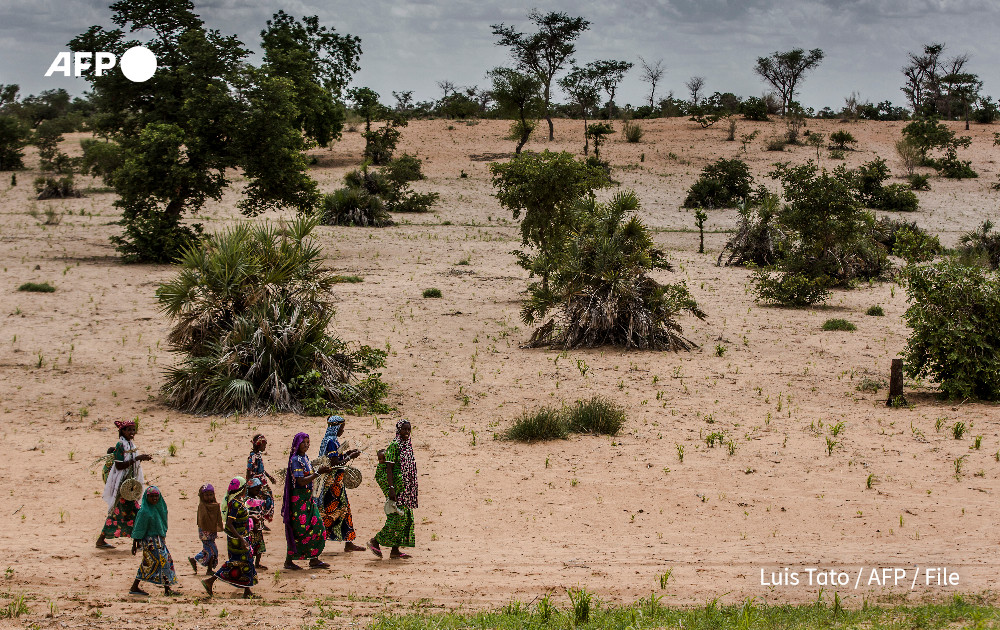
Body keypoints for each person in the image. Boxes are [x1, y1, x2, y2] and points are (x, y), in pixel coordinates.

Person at [97, 419, 152, 549]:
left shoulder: (130, 445)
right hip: (122, 486)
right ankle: (139, 542)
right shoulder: (121, 446)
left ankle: (102, 540)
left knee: (121, 514)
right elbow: (119, 465)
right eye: (129, 430)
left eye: (133, 430)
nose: (132, 432)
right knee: (135, 512)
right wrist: (137, 459)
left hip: (128, 486)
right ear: (122, 431)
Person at [369, 420, 417, 559]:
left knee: (406, 518)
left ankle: (395, 550)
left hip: (406, 488)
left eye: (409, 429)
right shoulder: (394, 445)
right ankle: (375, 541)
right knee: (397, 519)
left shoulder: (407, 445)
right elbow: (389, 468)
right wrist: (391, 489)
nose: (407, 432)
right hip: (397, 487)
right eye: (404, 429)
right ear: (398, 430)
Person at [201, 477, 257, 599]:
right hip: (237, 540)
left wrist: (251, 516)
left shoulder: (237, 501)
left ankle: (247, 591)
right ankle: (210, 581)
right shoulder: (235, 503)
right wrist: (241, 539)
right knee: (240, 562)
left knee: (244, 562)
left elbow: (238, 517)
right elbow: (230, 524)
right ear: (242, 489)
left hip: (241, 537)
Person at [282, 432, 331, 570]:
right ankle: (289, 560)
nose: (306, 445)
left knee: (317, 527)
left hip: (308, 499)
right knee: (299, 531)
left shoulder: (305, 458)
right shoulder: (295, 460)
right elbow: (301, 481)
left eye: (308, 442)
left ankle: (314, 558)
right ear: (298, 444)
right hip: (299, 501)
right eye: (304, 442)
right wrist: (317, 473)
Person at [318, 416, 365, 552]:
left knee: (343, 510)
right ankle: (317, 542)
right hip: (332, 484)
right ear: (336, 427)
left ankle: (348, 541)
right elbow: (334, 463)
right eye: (342, 428)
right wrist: (350, 457)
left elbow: (335, 458)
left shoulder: (330, 441)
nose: (342, 431)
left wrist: (347, 454)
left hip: (335, 483)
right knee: (330, 512)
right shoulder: (331, 442)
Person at [129, 487, 177, 596]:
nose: (154, 498)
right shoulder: (144, 511)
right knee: (155, 562)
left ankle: (166, 589)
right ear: (147, 497)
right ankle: (135, 586)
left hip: (159, 541)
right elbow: (139, 528)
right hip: (150, 542)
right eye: (152, 496)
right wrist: (135, 544)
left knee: (164, 562)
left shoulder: (159, 507)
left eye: (156, 496)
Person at [189, 484, 223, 574]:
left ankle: (195, 559)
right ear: (202, 496)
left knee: (210, 550)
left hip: (211, 532)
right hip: (204, 532)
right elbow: (202, 521)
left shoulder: (214, 506)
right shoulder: (202, 506)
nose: (209, 497)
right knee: (211, 551)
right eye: (206, 495)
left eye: (211, 494)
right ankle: (209, 570)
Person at [246, 434, 276, 527]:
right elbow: (249, 471)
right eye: (264, 445)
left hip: (262, 481)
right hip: (256, 482)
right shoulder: (253, 457)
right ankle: (260, 520)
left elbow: (260, 469)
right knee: (263, 500)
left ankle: (261, 520)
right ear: (259, 445)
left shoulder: (257, 455)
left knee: (265, 499)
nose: (265, 447)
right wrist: (249, 484)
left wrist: (269, 476)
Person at [246, 478, 267, 570]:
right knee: (251, 546)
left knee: (259, 547)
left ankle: (257, 563)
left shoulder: (257, 499)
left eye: (259, 489)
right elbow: (246, 513)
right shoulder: (247, 500)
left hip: (258, 526)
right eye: (256, 489)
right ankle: (250, 563)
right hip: (250, 527)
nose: (258, 491)